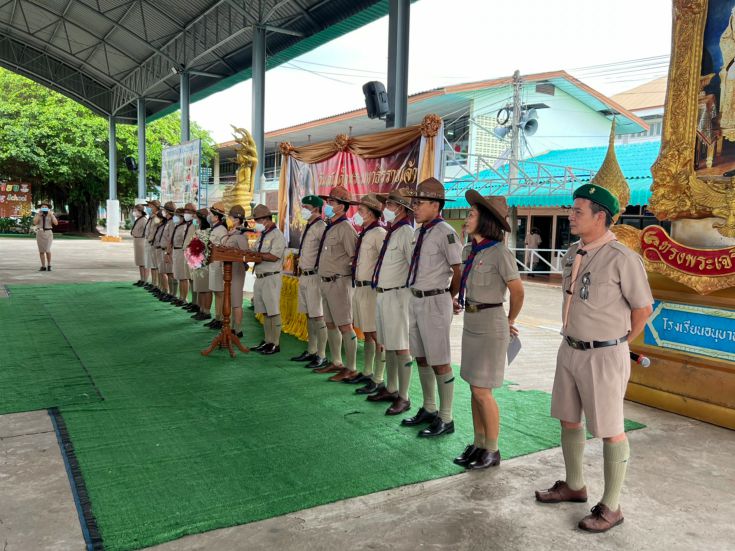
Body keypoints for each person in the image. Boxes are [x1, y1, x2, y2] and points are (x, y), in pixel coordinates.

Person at [535, 184, 653, 533]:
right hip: (569, 348)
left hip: (603, 354)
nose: (570, 217)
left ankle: (612, 506)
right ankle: (575, 486)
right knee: (569, 419)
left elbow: (643, 309)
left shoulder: (622, 258)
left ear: (600, 216)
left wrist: (619, 343)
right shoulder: (573, 252)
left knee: (610, 430)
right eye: (571, 210)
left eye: (578, 211)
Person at [452, 191, 524, 470]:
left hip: (491, 324)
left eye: (472, 214)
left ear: (485, 220)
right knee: (474, 388)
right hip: (471, 322)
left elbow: (518, 291)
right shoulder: (469, 250)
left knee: (483, 390)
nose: (467, 218)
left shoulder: (500, 253)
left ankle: (492, 450)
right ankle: (479, 443)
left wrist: (510, 319)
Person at [401, 177, 463, 437]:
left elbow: (458, 269)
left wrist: (448, 296)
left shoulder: (445, 232)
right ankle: (429, 408)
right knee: (422, 357)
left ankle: (446, 418)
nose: (415, 207)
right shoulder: (419, 232)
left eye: (420, 203)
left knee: (440, 360)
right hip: (416, 298)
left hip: (435, 300)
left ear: (436, 205)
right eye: (414, 203)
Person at [365, 189, 415, 412]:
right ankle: (392, 388)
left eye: (389, 205)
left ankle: (404, 396)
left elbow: (413, 267)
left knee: (401, 346)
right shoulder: (393, 231)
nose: (385, 209)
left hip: (398, 295)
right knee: (390, 345)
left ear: (400, 208)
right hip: (384, 294)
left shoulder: (406, 232)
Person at [312, 186, 358, 382]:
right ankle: (337, 361)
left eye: (331, 202)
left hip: (339, 283)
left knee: (345, 326)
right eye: (328, 202)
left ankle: (351, 367)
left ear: (342, 206)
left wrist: (346, 278)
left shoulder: (346, 228)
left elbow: (354, 257)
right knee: (330, 324)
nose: (328, 205)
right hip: (326, 282)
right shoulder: (331, 226)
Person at [345, 193, 387, 387]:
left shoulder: (379, 233)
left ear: (371, 213)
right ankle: (368, 371)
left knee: (377, 335)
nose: (357, 213)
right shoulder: (365, 233)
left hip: (372, 289)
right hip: (360, 287)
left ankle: (378, 378)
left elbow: (384, 262)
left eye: (361, 210)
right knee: (368, 332)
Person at [291, 195, 329, 369]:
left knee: (318, 316)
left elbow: (325, 252)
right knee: (308, 314)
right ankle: (311, 350)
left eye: (306, 207)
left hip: (315, 276)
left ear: (315, 208)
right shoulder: (309, 225)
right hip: (304, 275)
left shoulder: (321, 227)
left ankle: (322, 354)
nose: (303, 210)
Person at [248, 204, 287, 355]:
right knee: (264, 311)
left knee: (273, 311)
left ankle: (275, 343)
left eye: (257, 220)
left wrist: (255, 256)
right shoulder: (262, 235)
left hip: (271, 277)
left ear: (266, 219)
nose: (256, 223)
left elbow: (274, 256)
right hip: (260, 276)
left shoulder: (277, 235)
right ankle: (267, 340)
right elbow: (254, 251)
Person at [221, 205, 251, 338]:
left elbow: (246, 253)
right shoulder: (232, 232)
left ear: (237, 219)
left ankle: (238, 329)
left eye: (230, 217)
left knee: (236, 301)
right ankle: (231, 326)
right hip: (228, 269)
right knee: (230, 299)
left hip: (237, 269)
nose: (228, 219)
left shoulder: (241, 234)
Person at [206, 202, 229, 330]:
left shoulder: (222, 230)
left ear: (216, 216)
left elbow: (223, 248)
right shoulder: (214, 228)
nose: (209, 216)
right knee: (215, 291)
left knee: (219, 292)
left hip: (218, 264)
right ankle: (217, 317)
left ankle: (220, 318)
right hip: (212, 263)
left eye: (211, 214)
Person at [171, 205, 196, 309]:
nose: (186, 214)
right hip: (179, 251)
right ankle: (181, 297)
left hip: (186, 252)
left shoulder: (192, 224)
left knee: (185, 277)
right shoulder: (185, 225)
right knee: (181, 276)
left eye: (187, 212)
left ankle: (186, 299)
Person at [191, 208, 213, 322]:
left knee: (206, 288)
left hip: (206, 263)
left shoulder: (209, 231)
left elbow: (209, 247)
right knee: (199, 287)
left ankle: (207, 311)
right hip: (197, 262)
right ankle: (201, 309)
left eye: (196, 218)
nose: (195, 220)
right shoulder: (198, 230)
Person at [161, 201, 178, 303]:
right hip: (166, 249)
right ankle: (170, 293)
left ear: (167, 211)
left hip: (170, 250)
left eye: (164, 210)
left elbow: (171, 239)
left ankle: (173, 294)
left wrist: (168, 253)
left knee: (171, 273)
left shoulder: (172, 222)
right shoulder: (168, 221)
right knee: (168, 272)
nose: (163, 212)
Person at [33, 202, 58, 271]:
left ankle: (49, 265)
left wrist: (52, 215)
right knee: (41, 251)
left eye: (45, 207)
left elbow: (56, 223)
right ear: (40, 208)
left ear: (48, 208)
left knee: (47, 250)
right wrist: (39, 215)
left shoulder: (51, 215)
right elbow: (34, 223)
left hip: (48, 233)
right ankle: (43, 266)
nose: (44, 208)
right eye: (42, 207)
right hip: (40, 233)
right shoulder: (38, 214)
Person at [152, 209, 170, 299]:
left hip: (163, 249)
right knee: (160, 271)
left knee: (163, 272)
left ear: (161, 218)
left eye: (157, 217)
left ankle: (166, 290)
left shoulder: (165, 226)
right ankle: (162, 289)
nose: (155, 219)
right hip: (158, 249)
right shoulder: (159, 226)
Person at [143, 200, 161, 291]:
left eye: (150, 206)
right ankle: (154, 283)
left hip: (153, 243)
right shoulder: (151, 217)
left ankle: (156, 284)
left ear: (155, 207)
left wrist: (151, 239)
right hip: (149, 241)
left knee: (154, 265)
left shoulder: (157, 217)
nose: (148, 208)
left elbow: (157, 228)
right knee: (151, 264)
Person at [130, 203, 149, 286]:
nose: (134, 212)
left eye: (135, 210)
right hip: (137, 241)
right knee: (140, 262)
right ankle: (142, 279)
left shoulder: (144, 220)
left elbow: (147, 231)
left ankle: (145, 280)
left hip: (142, 241)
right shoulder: (138, 219)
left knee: (144, 262)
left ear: (140, 211)